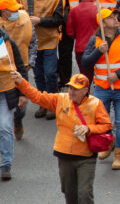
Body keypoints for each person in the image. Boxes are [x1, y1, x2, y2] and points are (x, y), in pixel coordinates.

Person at [11, 72, 111, 202]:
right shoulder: (60, 99)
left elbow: (106, 126)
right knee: (69, 194)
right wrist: (21, 82)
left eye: (76, 89)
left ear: (85, 90)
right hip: (64, 155)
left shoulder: (96, 104)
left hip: (86, 157)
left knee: (85, 194)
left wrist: (89, 129)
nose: (71, 92)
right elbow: (37, 97)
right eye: (70, 88)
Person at [81, 8, 120, 170]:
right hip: (102, 88)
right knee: (103, 121)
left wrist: (118, 75)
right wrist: (98, 52)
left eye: (115, 16)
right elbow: (85, 62)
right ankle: (108, 144)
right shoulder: (95, 41)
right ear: (103, 23)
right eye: (110, 17)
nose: (115, 18)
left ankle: (119, 152)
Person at [0, 20, 24, 180]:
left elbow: (20, 67)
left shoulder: (8, 42)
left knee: (4, 127)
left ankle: (6, 164)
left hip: (5, 92)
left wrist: (23, 93)